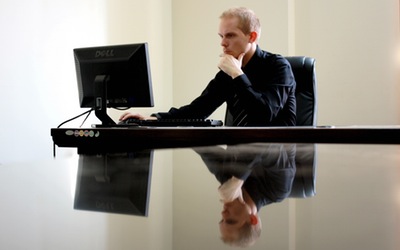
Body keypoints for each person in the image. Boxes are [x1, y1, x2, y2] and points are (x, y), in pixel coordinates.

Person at [120, 7, 296, 126]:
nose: (223, 43)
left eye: (230, 36)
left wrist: (237, 73)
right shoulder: (228, 72)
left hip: (274, 163)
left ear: (252, 37)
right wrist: (153, 119)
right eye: (221, 36)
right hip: (238, 159)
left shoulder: (278, 67)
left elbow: (264, 115)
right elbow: (198, 110)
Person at [193, 143, 297, 247]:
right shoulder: (278, 190)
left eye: (222, 220)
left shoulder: (227, 182)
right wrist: (237, 180)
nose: (223, 214)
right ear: (252, 219)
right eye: (230, 221)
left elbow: (205, 149)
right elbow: (265, 143)